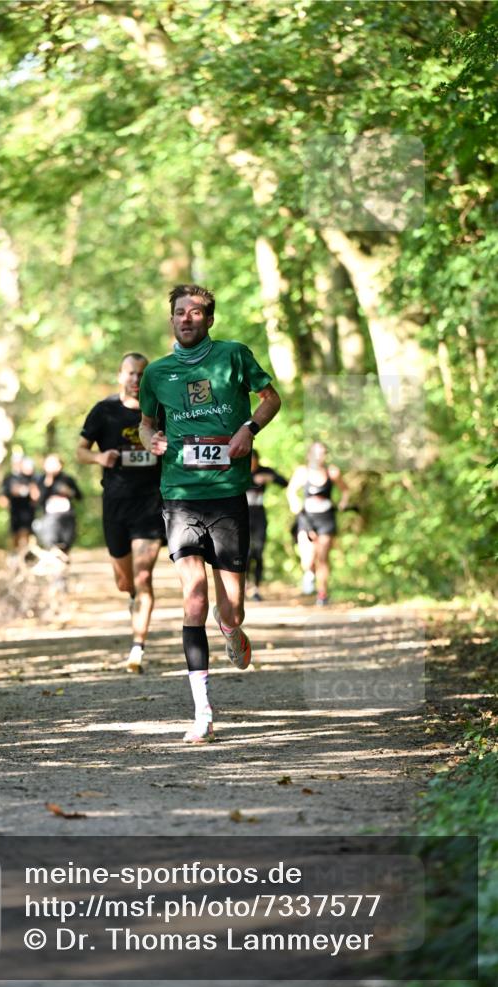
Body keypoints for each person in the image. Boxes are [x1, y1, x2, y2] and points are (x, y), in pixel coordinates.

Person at [139, 284, 281, 743]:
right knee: (194, 595)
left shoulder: (234, 355)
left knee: (231, 608)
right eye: (179, 313)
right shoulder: (157, 373)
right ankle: (202, 712)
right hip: (179, 494)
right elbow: (145, 422)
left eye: (195, 313)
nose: (186, 319)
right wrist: (150, 441)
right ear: (172, 319)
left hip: (226, 495)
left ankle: (230, 628)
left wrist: (248, 429)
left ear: (209, 319)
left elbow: (271, 399)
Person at [77, 353, 165, 673]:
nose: (136, 380)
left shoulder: (158, 410)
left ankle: (137, 648)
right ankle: (131, 596)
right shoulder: (104, 411)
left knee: (144, 577)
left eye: (142, 375)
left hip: (151, 503)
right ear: (120, 376)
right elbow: (80, 451)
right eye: (131, 373)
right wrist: (99, 459)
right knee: (124, 581)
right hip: (115, 504)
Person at [286, 441, 350, 606]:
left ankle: (322, 593)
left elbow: (345, 490)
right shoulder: (302, 472)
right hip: (306, 518)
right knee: (307, 559)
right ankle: (309, 573)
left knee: (322, 557)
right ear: (309, 455)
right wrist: (294, 502)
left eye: (323, 452)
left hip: (326, 519)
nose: (320, 456)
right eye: (316, 452)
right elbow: (291, 491)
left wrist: (343, 503)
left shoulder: (332, 472)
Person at [246, 450, 288, 601]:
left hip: (259, 515)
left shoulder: (264, 471)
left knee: (258, 552)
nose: (252, 463)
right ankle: (244, 585)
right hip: (242, 515)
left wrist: (269, 477)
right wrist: (251, 480)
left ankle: (256, 588)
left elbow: (284, 482)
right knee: (245, 553)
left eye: (254, 460)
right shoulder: (239, 470)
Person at [32, 454, 83, 556]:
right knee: (51, 542)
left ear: (61, 465)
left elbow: (79, 496)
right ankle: (55, 565)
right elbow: (38, 501)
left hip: (67, 516)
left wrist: (69, 492)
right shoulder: (41, 480)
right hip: (50, 517)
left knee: (66, 543)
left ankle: (64, 563)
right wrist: (47, 485)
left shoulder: (67, 479)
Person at [0, 454, 38, 552]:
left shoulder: (30, 477)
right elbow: (3, 494)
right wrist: (4, 501)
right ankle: (16, 554)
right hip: (15, 510)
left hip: (28, 510)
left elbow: (36, 494)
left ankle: (24, 555)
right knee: (15, 533)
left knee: (25, 532)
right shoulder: (9, 478)